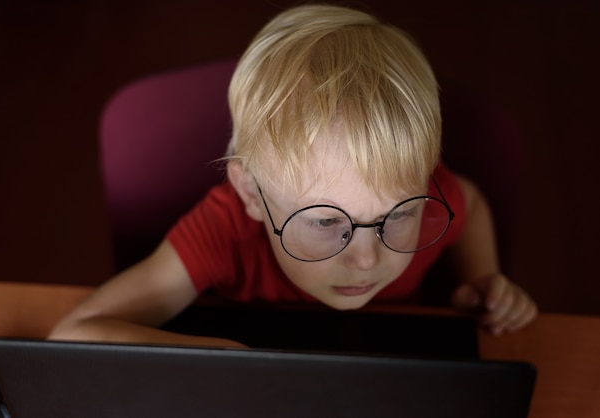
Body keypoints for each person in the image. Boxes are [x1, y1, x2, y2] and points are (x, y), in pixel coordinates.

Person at [49, 4, 537, 347]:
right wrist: (213, 357)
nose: (367, 259)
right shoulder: (224, 232)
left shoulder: (428, 202)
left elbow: (466, 203)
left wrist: (483, 277)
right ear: (252, 194)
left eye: (398, 215)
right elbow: (74, 334)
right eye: (326, 222)